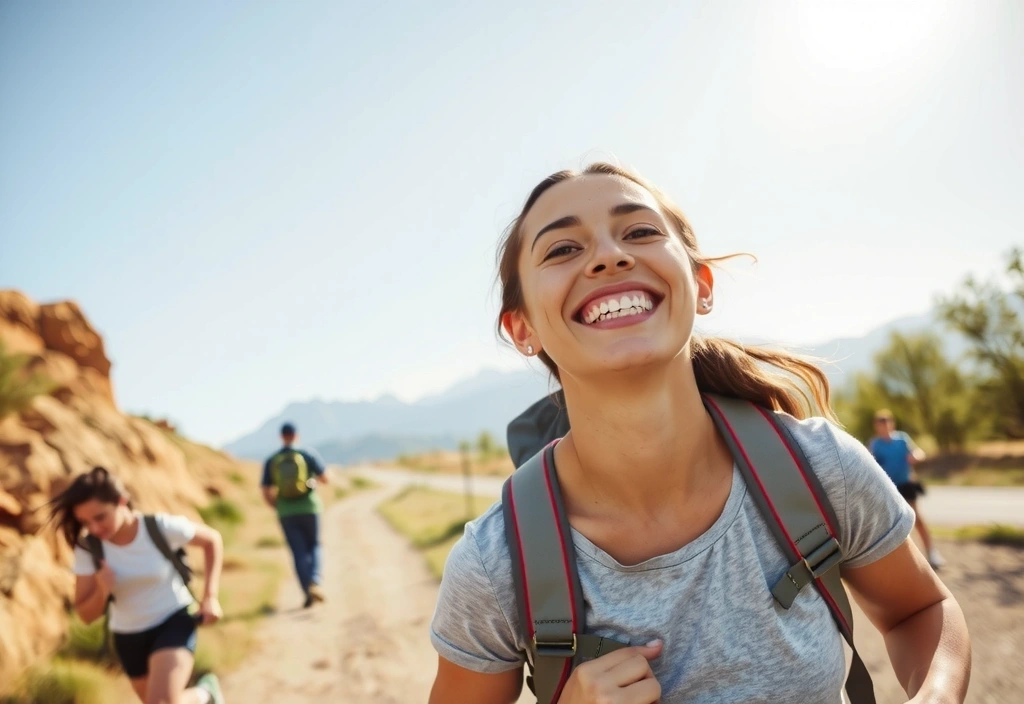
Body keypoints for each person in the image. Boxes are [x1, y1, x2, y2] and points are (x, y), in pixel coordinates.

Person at [428, 163, 971, 704]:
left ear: (701, 285)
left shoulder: (820, 468)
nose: (610, 256)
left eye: (640, 231)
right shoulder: (494, 564)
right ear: (522, 329)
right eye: (563, 249)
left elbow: (920, 610)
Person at [49, 466, 225, 704]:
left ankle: (207, 693)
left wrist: (210, 596)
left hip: (172, 620)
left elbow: (212, 540)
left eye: (100, 517)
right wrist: (102, 590)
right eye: (85, 522)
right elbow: (86, 615)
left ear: (122, 501)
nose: (94, 528)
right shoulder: (88, 548)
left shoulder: (158, 527)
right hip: (127, 637)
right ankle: (206, 694)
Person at [261, 422, 329, 608]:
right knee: (314, 545)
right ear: (296, 435)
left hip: (286, 512)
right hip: (310, 507)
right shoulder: (307, 454)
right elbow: (325, 478)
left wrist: (278, 506)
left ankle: (307, 593)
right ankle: (315, 580)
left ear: (281, 436)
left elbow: (266, 490)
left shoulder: (272, 460)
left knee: (298, 552)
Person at [869, 409, 944, 569]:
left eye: (887, 421)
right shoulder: (876, 444)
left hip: (906, 483)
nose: (884, 425)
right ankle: (903, 562)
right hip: (888, 487)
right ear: (876, 426)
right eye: (880, 422)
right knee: (892, 524)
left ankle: (931, 553)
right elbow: (871, 462)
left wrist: (917, 455)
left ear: (892, 423)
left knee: (917, 518)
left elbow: (917, 451)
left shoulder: (902, 439)